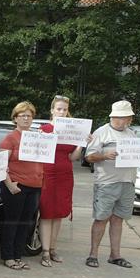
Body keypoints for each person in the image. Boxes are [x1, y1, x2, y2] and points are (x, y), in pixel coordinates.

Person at [84, 100, 138, 269]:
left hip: (127, 182)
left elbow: (137, 154)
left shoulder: (132, 134)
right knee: (101, 218)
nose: (128, 120)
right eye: (125, 117)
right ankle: (93, 254)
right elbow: (88, 157)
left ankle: (115, 255)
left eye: (129, 117)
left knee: (118, 219)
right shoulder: (102, 132)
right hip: (107, 182)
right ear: (115, 117)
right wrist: (105, 156)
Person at [38, 96, 84, 266]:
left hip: (65, 174)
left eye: (65, 109)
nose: (62, 112)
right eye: (59, 109)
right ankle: (44, 252)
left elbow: (73, 157)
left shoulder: (72, 131)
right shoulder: (44, 129)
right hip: (47, 174)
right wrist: (46, 137)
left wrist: (80, 144)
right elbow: (38, 152)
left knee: (59, 213)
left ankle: (53, 249)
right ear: (52, 110)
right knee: (47, 212)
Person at [0, 101, 43, 270]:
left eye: (29, 115)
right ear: (15, 118)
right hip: (16, 186)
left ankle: (18, 255)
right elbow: (1, 164)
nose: (26, 118)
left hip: (34, 186)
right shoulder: (10, 138)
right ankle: (8, 256)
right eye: (22, 115)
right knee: (12, 222)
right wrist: (9, 184)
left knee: (26, 223)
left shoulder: (37, 138)